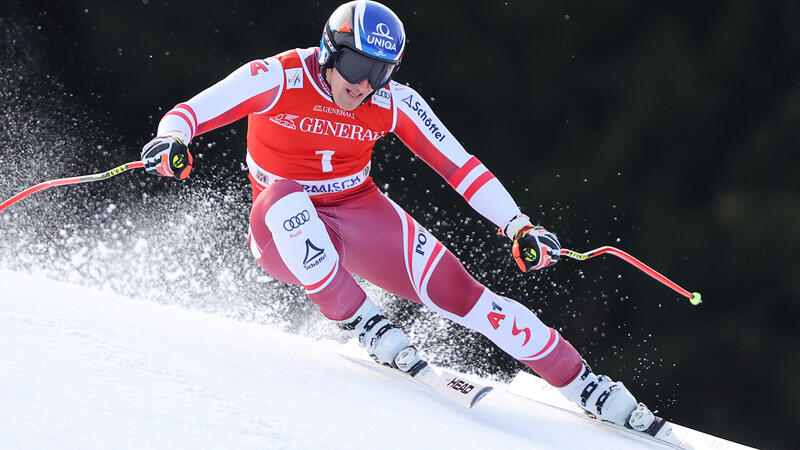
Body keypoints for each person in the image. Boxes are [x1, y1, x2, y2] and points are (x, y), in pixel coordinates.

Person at [141, 0, 658, 434]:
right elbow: (189, 112)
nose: (365, 85)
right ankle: (362, 321)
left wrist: (518, 226)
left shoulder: (392, 101)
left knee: (465, 294)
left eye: (381, 72)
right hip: (281, 228)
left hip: (357, 211)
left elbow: (462, 168)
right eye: (358, 67)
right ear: (329, 51)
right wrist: (171, 141)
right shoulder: (276, 77)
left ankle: (586, 383)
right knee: (286, 198)